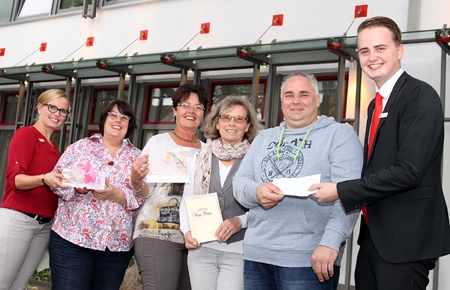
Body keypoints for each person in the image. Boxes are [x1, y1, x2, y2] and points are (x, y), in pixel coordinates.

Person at [311, 16, 450, 290]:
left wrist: (341, 189)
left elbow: (409, 171)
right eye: (364, 51)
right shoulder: (375, 105)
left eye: (380, 48)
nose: (372, 57)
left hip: (406, 241)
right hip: (375, 237)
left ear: (399, 51)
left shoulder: (420, 96)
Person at [233, 72, 363, 290]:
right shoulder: (264, 138)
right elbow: (240, 183)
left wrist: (331, 242)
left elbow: (350, 195)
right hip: (257, 255)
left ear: (317, 99)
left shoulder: (339, 136)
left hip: (309, 258)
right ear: (281, 101)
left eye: (304, 94)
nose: (296, 101)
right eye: (289, 95)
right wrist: (257, 192)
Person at [49, 99, 144, 290]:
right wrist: (76, 188)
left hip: (115, 247)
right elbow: (56, 181)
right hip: (72, 241)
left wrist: (117, 195)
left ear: (130, 124)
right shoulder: (80, 148)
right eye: (113, 115)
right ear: (104, 119)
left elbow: (145, 197)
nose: (118, 120)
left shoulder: (138, 157)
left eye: (124, 117)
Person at [179, 96, 262, 290]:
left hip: (239, 250)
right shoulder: (200, 158)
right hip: (201, 250)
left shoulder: (256, 160)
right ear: (217, 123)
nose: (232, 123)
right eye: (226, 117)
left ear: (248, 126)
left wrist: (239, 221)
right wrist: (187, 231)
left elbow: (264, 206)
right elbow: (187, 200)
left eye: (239, 119)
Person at [131, 84, 208, 290]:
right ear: (174, 110)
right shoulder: (157, 143)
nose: (191, 111)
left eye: (198, 107)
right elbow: (144, 190)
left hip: (196, 238)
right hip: (158, 232)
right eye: (185, 105)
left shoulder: (208, 150)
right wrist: (136, 180)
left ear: (203, 113)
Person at [0, 89, 69, 290]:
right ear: (39, 107)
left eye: (63, 111)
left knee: (19, 285)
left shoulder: (54, 147)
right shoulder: (26, 135)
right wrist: (43, 178)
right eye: (52, 107)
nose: (57, 114)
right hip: (18, 221)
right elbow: (16, 180)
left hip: (42, 227)